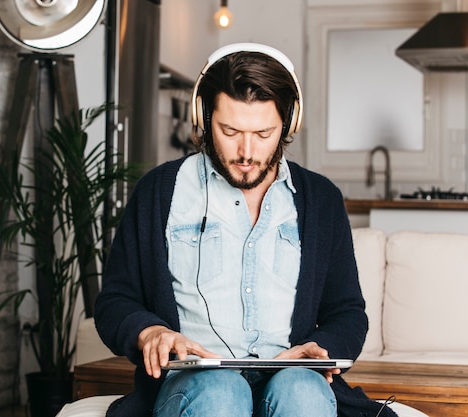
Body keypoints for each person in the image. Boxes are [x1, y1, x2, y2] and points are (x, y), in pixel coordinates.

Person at [95, 43, 397, 417]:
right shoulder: (159, 192)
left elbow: (347, 311)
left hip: (291, 378)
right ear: (204, 119)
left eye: (263, 133)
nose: (247, 152)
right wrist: (149, 332)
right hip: (194, 385)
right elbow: (114, 302)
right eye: (230, 131)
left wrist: (322, 346)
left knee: (303, 393)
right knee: (222, 393)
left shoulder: (322, 200)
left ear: (289, 122)